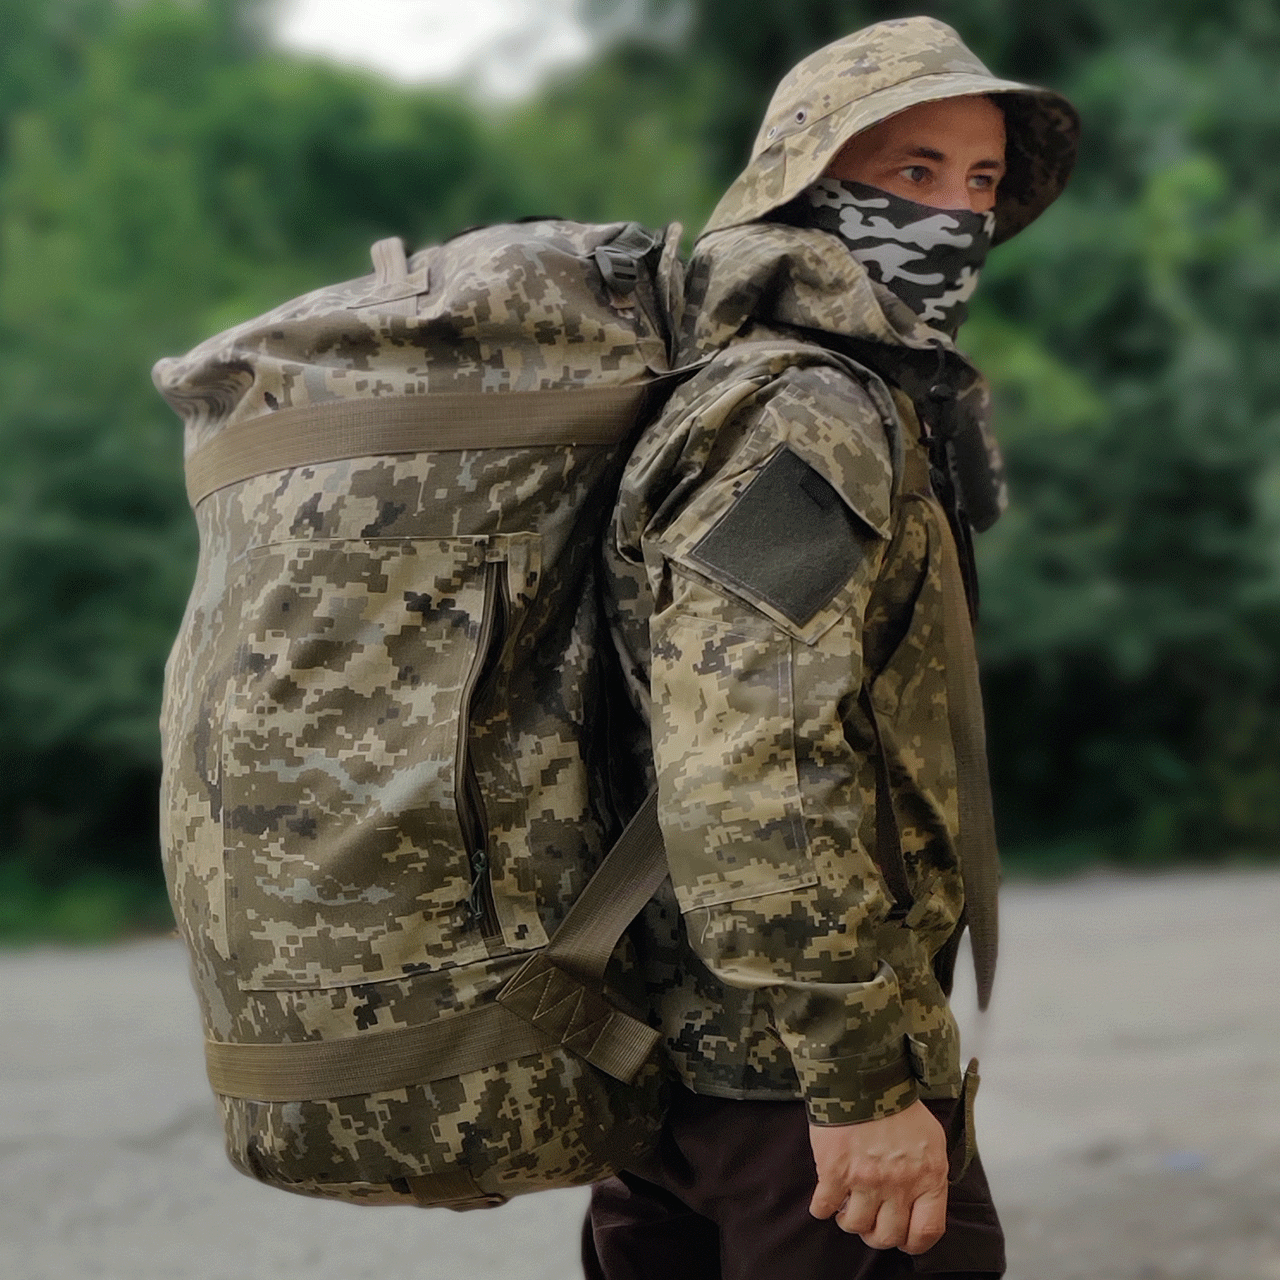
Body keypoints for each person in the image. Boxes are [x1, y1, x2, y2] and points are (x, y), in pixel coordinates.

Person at [585, 16, 1079, 1280]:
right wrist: (859, 1082)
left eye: (976, 182)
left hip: (682, 1064)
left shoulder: (734, 385)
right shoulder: (806, 415)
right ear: (803, 189)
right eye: (911, 173)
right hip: (789, 1084)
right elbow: (754, 758)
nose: (956, 217)